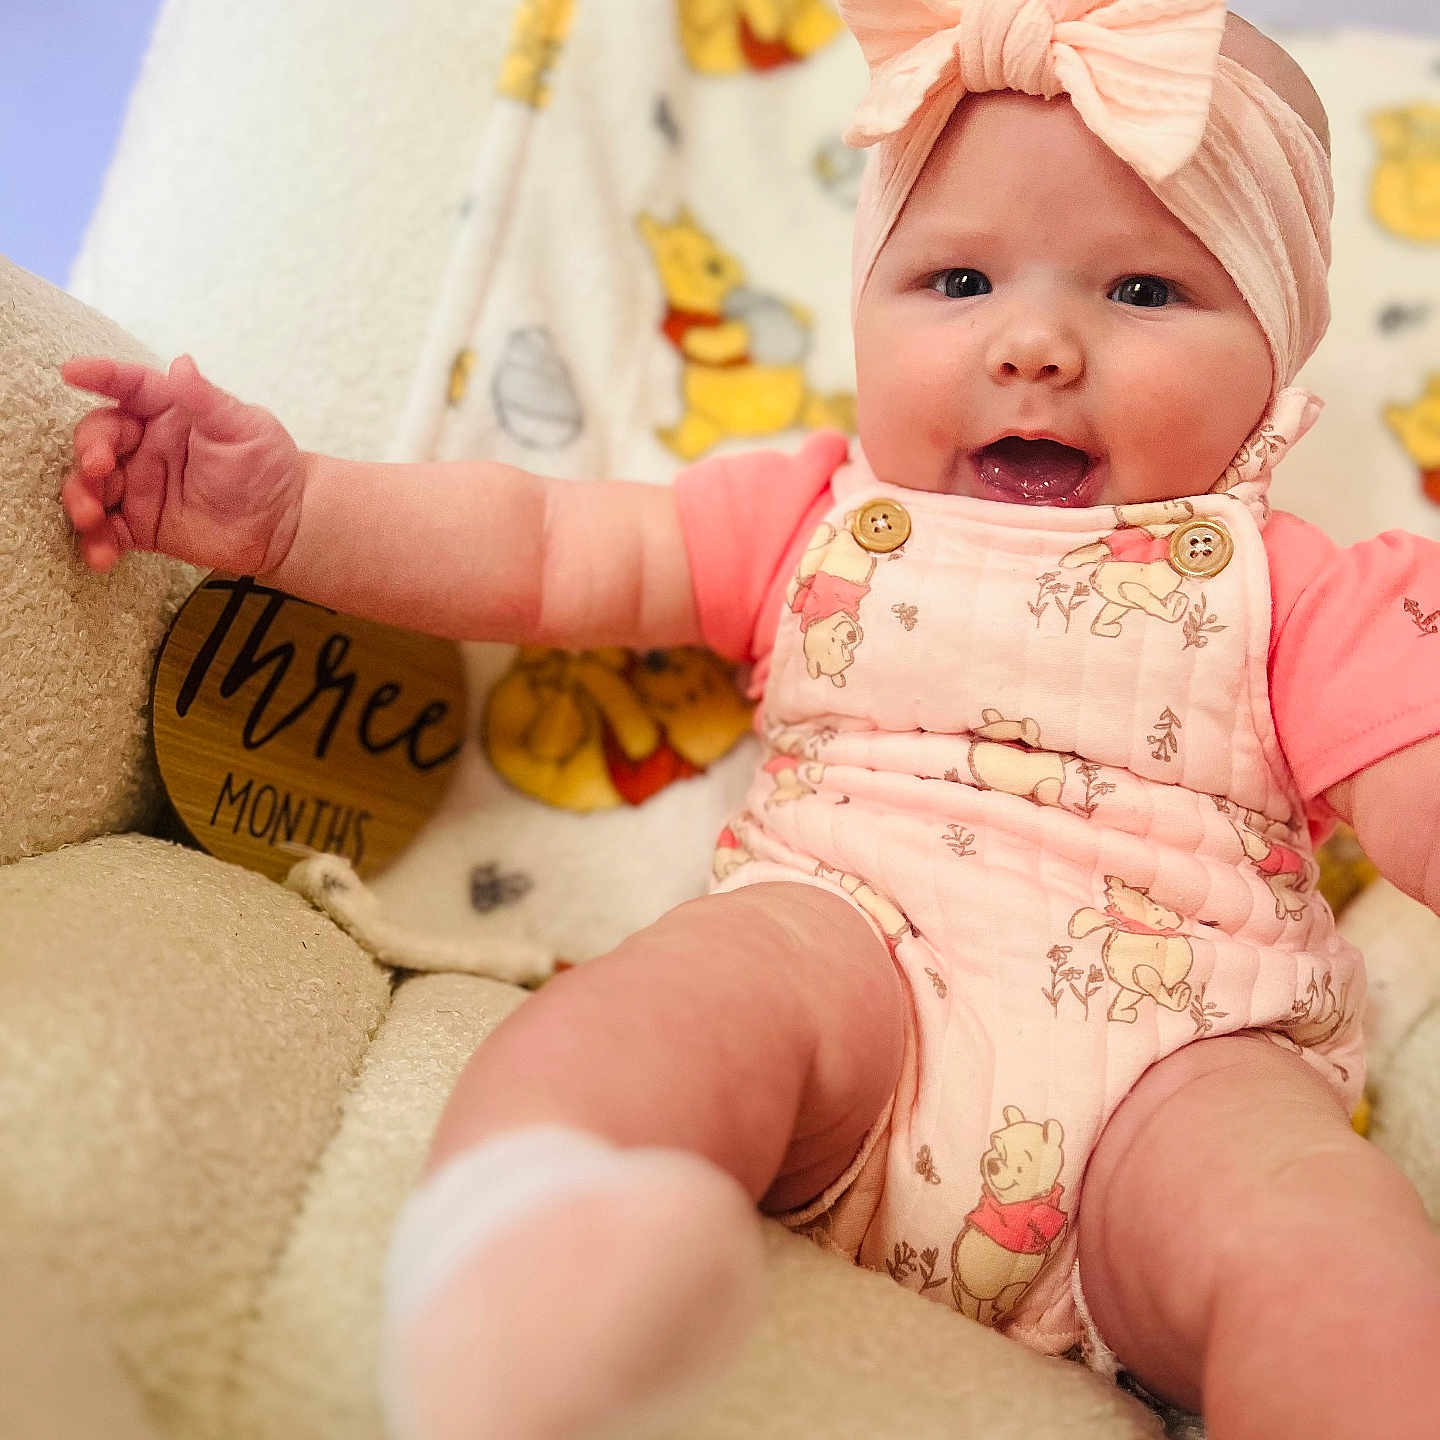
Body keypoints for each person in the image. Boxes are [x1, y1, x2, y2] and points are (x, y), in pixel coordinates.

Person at [59, 3, 1440, 1438]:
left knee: (1313, 1236)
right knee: (673, 1010)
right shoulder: (818, 519)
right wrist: (294, 514)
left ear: (1274, 358)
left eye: (1144, 293)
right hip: (854, 954)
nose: (1034, 343)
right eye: (958, 278)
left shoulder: (1302, 595)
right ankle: (531, 1265)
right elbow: (538, 547)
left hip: (1181, 1067)